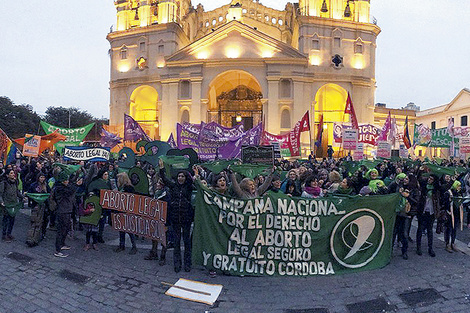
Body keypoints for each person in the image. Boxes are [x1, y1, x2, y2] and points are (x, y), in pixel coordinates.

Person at [159, 159, 195, 272]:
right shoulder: (173, 186)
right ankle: (177, 264)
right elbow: (164, 178)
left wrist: (196, 173)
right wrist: (161, 168)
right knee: (176, 242)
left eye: (182, 176)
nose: (180, 178)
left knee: (187, 242)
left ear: (186, 178)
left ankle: (187, 264)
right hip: (175, 218)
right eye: (179, 176)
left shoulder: (189, 187)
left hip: (186, 218)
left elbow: (197, 185)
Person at [50, 171, 76, 258]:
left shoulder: (63, 186)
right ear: (62, 181)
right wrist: (76, 184)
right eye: (66, 180)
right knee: (61, 230)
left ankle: (62, 244)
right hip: (62, 211)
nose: (68, 181)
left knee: (66, 228)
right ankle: (57, 250)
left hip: (67, 210)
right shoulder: (59, 188)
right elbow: (70, 190)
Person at [416, 174, 440, 257]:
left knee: (430, 230)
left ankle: (430, 248)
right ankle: (418, 247)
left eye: (432, 179)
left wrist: (452, 180)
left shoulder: (436, 189)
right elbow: (418, 178)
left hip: (431, 211)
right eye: (429, 178)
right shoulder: (424, 186)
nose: (429, 180)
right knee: (420, 229)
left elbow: (445, 187)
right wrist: (421, 169)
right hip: (422, 211)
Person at [114, 172, 138, 254]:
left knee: (129, 229)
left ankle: (134, 246)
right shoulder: (121, 187)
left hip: (127, 211)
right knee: (121, 229)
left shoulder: (129, 188)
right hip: (121, 210)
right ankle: (122, 245)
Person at [26, 172, 50, 247]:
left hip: (43, 206)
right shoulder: (33, 185)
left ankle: (35, 239)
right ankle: (30, 238)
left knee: (39, 224)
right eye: (41, 177)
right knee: (33, 222)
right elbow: (30, 194)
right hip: (35, 206)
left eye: (43, 177)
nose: (42, 179)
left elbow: (49, 194)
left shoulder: (46, 186)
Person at [0, 169, 23, 242]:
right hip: (6, 205)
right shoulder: (4, 183)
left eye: (13, 173)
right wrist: (1, 202)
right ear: (7, 175)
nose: (13, 174)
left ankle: (9, 233)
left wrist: (22, 197)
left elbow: (17, 192)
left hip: (14, 204)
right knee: (6, 220)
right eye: (11, 173)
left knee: (12, 220)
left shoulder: (15, 182)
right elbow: (0, 194)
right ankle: (4, 235)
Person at [443, 180, 463, 253]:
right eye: (458, 186)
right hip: (450, 213)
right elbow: (445, 203)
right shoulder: (448, 192)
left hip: (456, 213)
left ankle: (453, 243)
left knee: (454, 229)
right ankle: (447, 243)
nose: (459, 187)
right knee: (448, 229)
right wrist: (448, 211)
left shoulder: (459, 193)